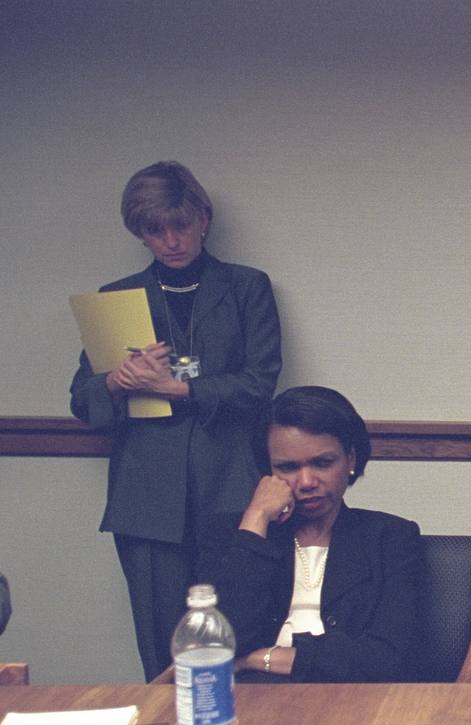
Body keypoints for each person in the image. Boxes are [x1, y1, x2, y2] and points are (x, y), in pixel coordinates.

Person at [69, 161, 282, 681]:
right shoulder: (118, 298)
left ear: (202, 219)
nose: (170, 240)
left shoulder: (246, 287)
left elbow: (260, 384)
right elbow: (82, 401)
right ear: (139, 233)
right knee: (163, 651)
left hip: (230, 487)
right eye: (154, 230)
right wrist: (118, 382)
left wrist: (181, 390)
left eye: (179, 226)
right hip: (147, 501)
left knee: (237, 635)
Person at [198, 386, 424, 682]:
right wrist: (255, 521)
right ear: (267, 471)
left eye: (322, 463)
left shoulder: (392, 538)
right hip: (249, 702)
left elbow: (388, 660)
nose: (306, 482)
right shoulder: (232, 535)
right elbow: (216, 644)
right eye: (287, 468)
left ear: (351, 460)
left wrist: (261, 658)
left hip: (355, 702)